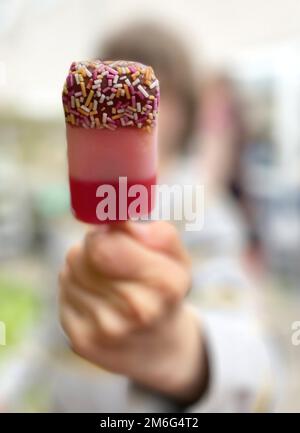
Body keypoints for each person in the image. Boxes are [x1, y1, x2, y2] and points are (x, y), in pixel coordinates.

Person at [58, 22, 277, 412]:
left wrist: (184, 351)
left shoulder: (206, 211)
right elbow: (52, 329)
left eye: (159, 88)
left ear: (186, 108)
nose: (118, 97)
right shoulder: (68, 217)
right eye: (108, 77)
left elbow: (260, 370)